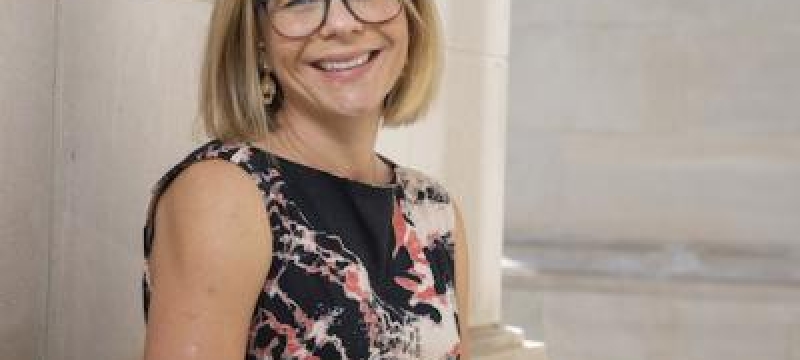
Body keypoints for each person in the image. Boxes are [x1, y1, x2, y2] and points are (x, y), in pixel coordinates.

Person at [141, 0, 469, 358]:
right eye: (300, 1)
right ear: (257, 38)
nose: (342, 24)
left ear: (412, 17)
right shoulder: (223, 197)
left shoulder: (434, 213)